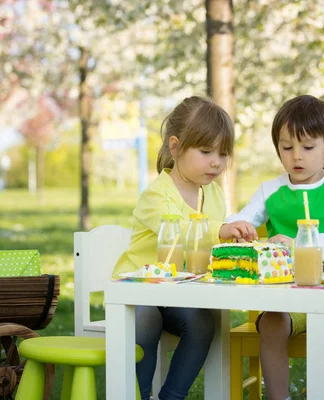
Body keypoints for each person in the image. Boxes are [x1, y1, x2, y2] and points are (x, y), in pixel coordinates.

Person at [113, 95, 257, 400]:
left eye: (223, 153)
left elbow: (213, 246)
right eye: (206, 151)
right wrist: (220, 230)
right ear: (176, 147)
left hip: (179, 293)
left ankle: (171, 396)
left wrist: (236, 240)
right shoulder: (157, 194)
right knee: (146, 320)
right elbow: (178, 231)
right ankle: (137, 394)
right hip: (140, 290)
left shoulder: (214, 194)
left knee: (204, 323)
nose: (216, 161)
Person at [227, 95, 324, 400]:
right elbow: (243, 219)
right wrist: (232, 226)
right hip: (285, 295)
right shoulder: (271, 190)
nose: (296, 156)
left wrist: (298, 245)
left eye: (308, 147)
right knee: (271, 322)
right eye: (287, 147)